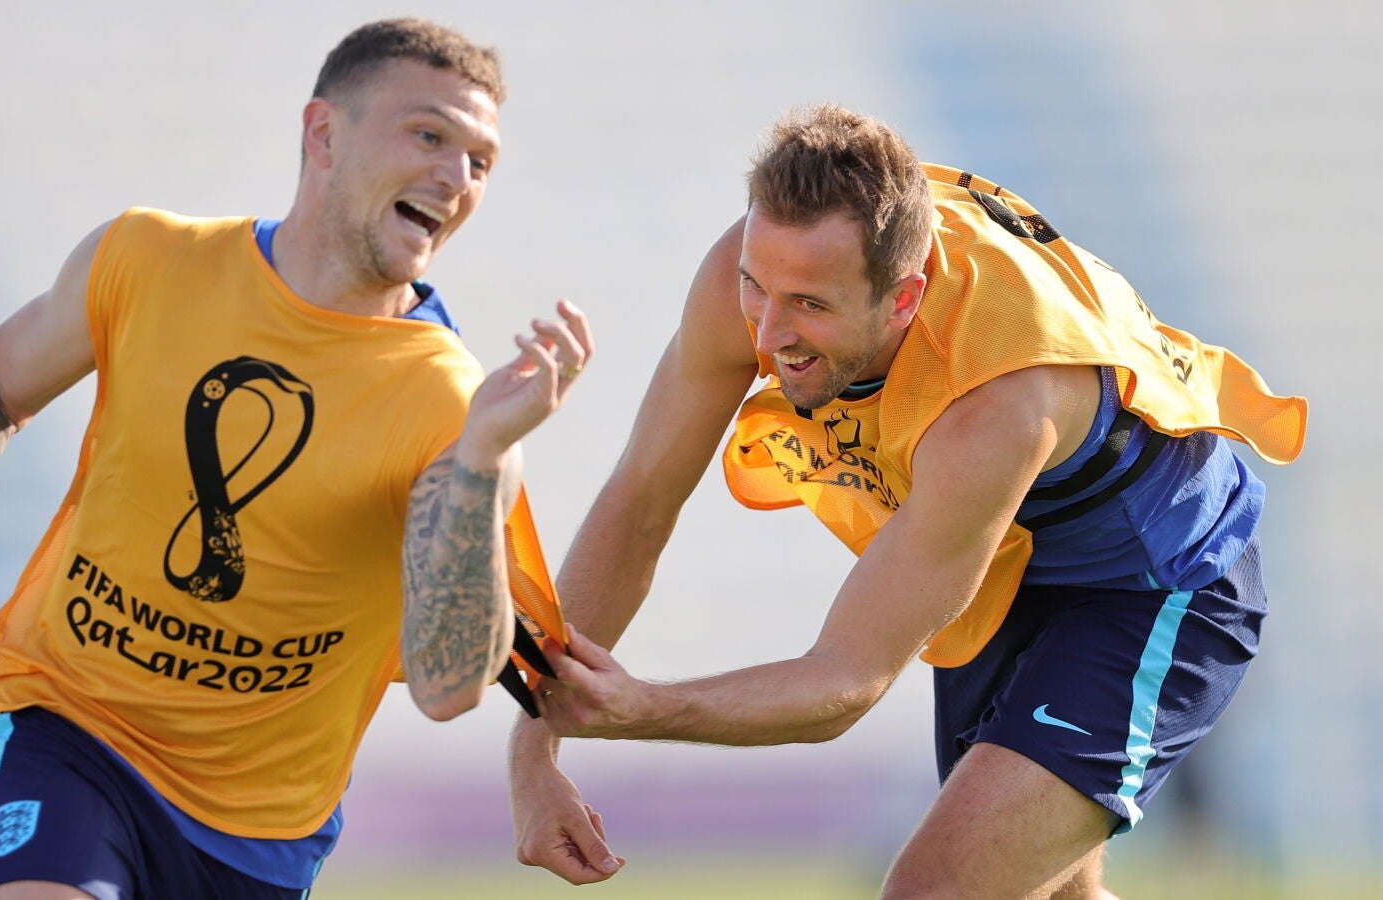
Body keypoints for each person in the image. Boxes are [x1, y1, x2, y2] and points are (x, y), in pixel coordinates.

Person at [0, 18, 592, 900]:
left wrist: (482, 461)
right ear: (324, 134)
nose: (457, 178)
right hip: (72, 727)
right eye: (429, 136)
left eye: (481, 162)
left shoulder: (453, 407)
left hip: (256, 835)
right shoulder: (149, 257)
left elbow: (448, 684)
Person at [508, 105, 1305, 898]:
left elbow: (844, 680)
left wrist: (642, 708)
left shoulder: (1000, 397)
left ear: (901, 298)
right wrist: (533, 750)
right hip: (998, 568)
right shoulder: (754, 272)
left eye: (811, 305)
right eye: (758, 287)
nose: (769, 334)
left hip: (1153, 581)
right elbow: (641, 500)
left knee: (934, 893)